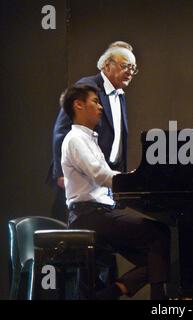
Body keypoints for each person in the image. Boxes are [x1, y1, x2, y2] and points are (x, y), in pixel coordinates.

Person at [60, 84, 170, 300]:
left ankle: (112, 293)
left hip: (99, 213)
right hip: (88, 215)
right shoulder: (75, 140)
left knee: (157, 258)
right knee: (159, 235)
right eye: (95, 101)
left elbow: (106, 174)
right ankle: (158, 302)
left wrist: (131, 179)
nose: (100, 107)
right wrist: (133, 182)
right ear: (78, 105)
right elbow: (100, 175)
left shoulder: (88, 139)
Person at [49, 41, 136, 222]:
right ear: (107, 65)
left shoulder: (120, 95)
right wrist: (60, 173)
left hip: (106, 177)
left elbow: (118, 136)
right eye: (125, 65)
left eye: (133, 68)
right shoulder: (88, 87)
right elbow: (61, 130)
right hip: (83, 174)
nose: (130, 71)